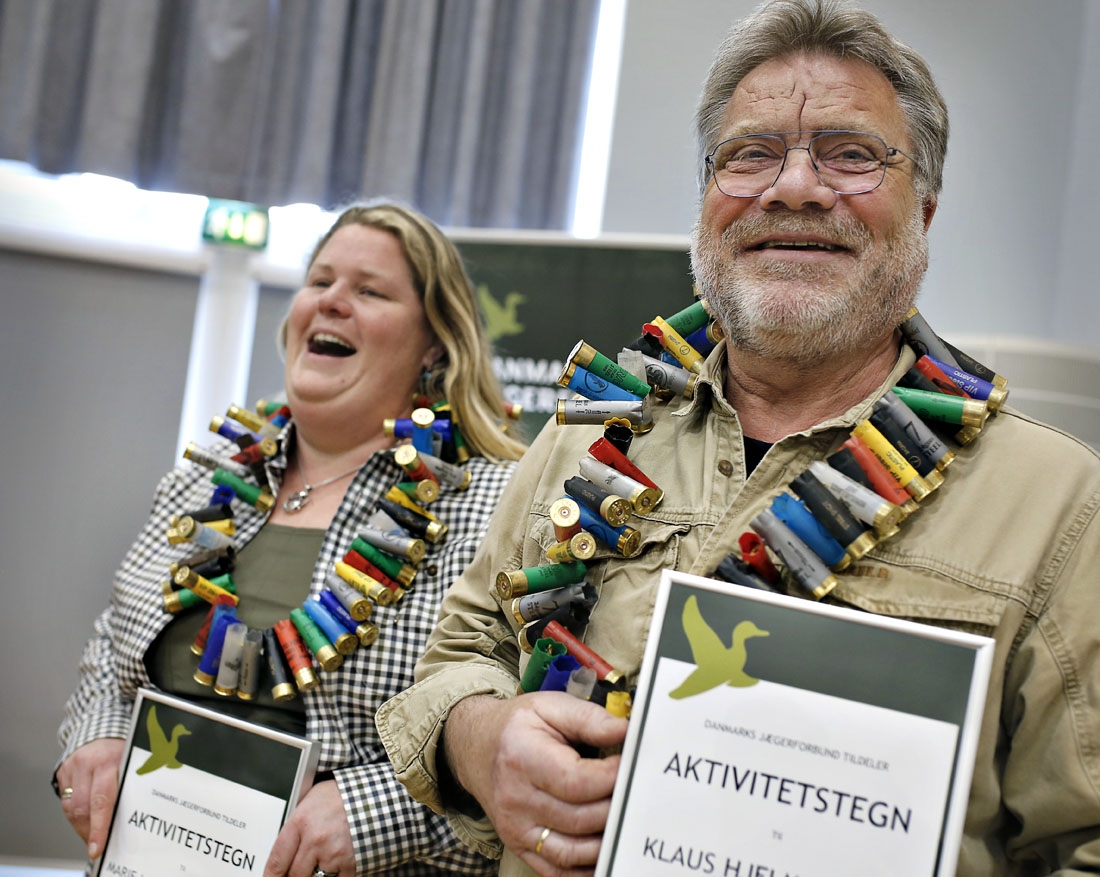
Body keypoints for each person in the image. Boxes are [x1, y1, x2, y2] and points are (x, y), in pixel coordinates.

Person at [376, 2, 1100, 876]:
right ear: (708, 199)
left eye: (851, 153)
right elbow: (461, 654)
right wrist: (479, 738)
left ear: (927, 210)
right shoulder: (586, 434)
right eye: (751, 154)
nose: (793, 186)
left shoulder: (1058, 502)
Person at [55, 201, 526, 876]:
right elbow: (111, 646)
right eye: (319, 281)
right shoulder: (211, 471)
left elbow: (522, 739)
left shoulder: (495, 503)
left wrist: (372, 813)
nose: (332, 301)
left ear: (435, 344)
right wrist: (97, 736)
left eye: (369, 290)